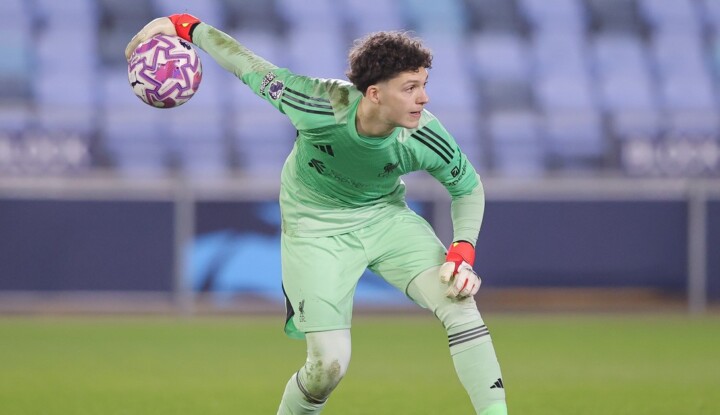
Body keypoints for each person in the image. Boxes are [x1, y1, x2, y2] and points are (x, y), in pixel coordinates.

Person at [126, 14, 507, 415]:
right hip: (314, 227)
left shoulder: (424, 135)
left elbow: (468, 187)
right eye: (410, 87)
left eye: (424, 85)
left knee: (459, 303)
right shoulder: (318, 103)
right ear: (374, 94)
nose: (423, 98)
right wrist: (186, 26)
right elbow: (247, 65)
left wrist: (462, 249)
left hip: (385, 218)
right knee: (328, 366)